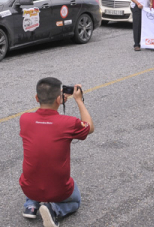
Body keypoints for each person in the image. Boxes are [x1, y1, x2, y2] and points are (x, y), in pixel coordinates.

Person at [20, 78, 94, 227]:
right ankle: (54, 209)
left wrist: (57, 101)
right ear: (59, 99)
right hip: (59, 190)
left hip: (29, 187)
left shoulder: (25, 119)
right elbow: (89, 127)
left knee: (37, 166)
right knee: (76, 201)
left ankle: (31, 205)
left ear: (36, 98)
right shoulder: (68, 123)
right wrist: (79, 100)